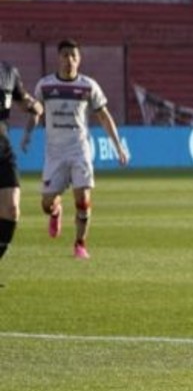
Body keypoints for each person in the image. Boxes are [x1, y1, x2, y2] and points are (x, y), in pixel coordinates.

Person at [20, 40, 129, 260]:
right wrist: (28, 133)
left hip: (80, 150)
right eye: (65, 55)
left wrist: (118, 147)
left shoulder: (88, 86)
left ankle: (80, 244)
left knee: (83, 198)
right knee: (46, 203)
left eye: (73, 56)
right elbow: (36, 112)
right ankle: (56, 210)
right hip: (55, 153)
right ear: (58, 58)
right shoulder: (45, 86)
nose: (69, 60)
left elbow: (103, 116)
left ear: (79, 60)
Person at [0, 56, 46, 271]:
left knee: (12, 209)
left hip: (2, 148)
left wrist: (34, 106)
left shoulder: (9, 72)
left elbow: (22, 99)